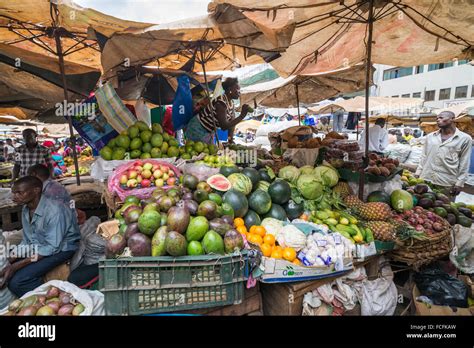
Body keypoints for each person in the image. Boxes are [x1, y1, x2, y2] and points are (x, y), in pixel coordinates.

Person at [0, 176, 80, 297]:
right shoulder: (26, 209)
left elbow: (51, 248)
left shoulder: (55, 211)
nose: (14, 197)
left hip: (62, 249)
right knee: (8, 264)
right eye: (14, 193)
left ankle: (54, 298)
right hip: (41, 246)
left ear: (36, 190)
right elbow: (27, 241)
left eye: (19, 193)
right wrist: (10, 259)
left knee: (17, 282)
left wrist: (16, 266)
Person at [415, 111, 472, 198]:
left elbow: (464, 162)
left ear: (452, 119)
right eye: (437, 118)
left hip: (446, 183)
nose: (438, 120)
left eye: (441, 118)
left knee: (444, 208)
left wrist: (459, 183)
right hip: (426, 180)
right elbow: (424, 156)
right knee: (424, 207)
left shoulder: (464, 139)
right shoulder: (430, 137)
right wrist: (418, 172)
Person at [185, 77, 251, 144]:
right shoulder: (221, 102)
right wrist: (242, 116)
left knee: (208, 152)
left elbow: (232, 122)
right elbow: (224, 126)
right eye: (237, 89)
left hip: (208, 131)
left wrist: (230, 139)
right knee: (199, 152)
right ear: (229, 89)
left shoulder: (231, 104)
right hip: (198, 129)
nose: (239, 93)